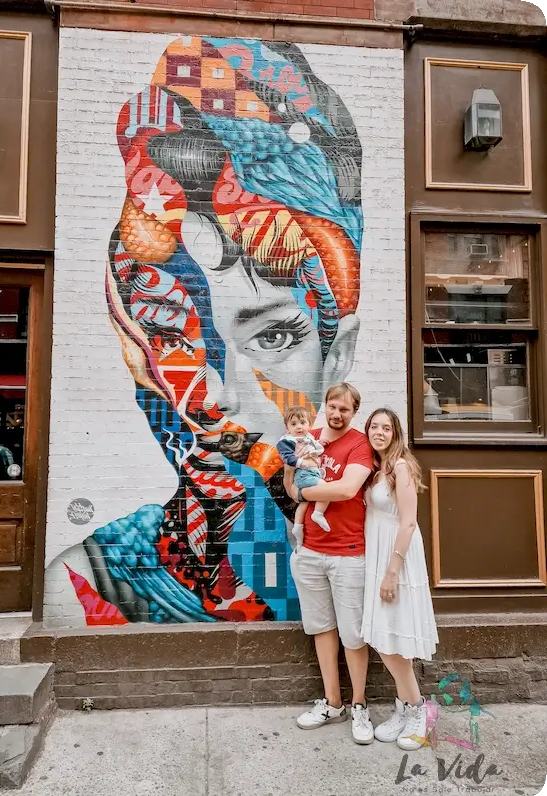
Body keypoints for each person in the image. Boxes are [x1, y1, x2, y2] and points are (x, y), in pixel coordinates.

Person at [44, 36, 368, 626]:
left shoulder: (360, 542)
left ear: (337, 353)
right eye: (175, 339)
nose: (216, 395)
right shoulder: (89, 585)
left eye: (272, 337)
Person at [284, 382, 376, 745]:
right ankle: (333, 702)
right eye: (332, 407)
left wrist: (306, 493)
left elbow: (345, 491)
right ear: (325, 406)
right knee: (322, 628)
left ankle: (359, 705)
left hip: (348, 552)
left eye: (345, 409)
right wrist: (299, 486)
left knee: (353, 634)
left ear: (355, 412)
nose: (337, 414)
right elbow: (290, 485)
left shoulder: (359, 444)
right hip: (309, 552)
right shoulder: (308, 435)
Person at [361, 408, 439, 751]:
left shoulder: (402, 468)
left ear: (396, 433)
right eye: (374, 427)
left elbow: (408, 523)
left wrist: (392, 571)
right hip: (378, 557)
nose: (379, 432)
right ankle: (405, 707)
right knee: (384, 636)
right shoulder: (378, 471)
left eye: (386, 427)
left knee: (395, 639)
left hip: (397, 560)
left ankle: (421, 710)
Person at [277, 405, 330, 547]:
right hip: (303, 475)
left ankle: (298, 527)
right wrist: (303, 463)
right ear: (287, 427)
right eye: (294, 424)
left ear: (309, 424)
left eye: (302, 423)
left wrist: (320, 444)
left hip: (308, 474)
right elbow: (288, 458)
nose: (299, 427)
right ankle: (318, 513)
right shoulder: (287, 441)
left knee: (304, 503)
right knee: (326, 489)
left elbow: (312, 446)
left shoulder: (308, 437)